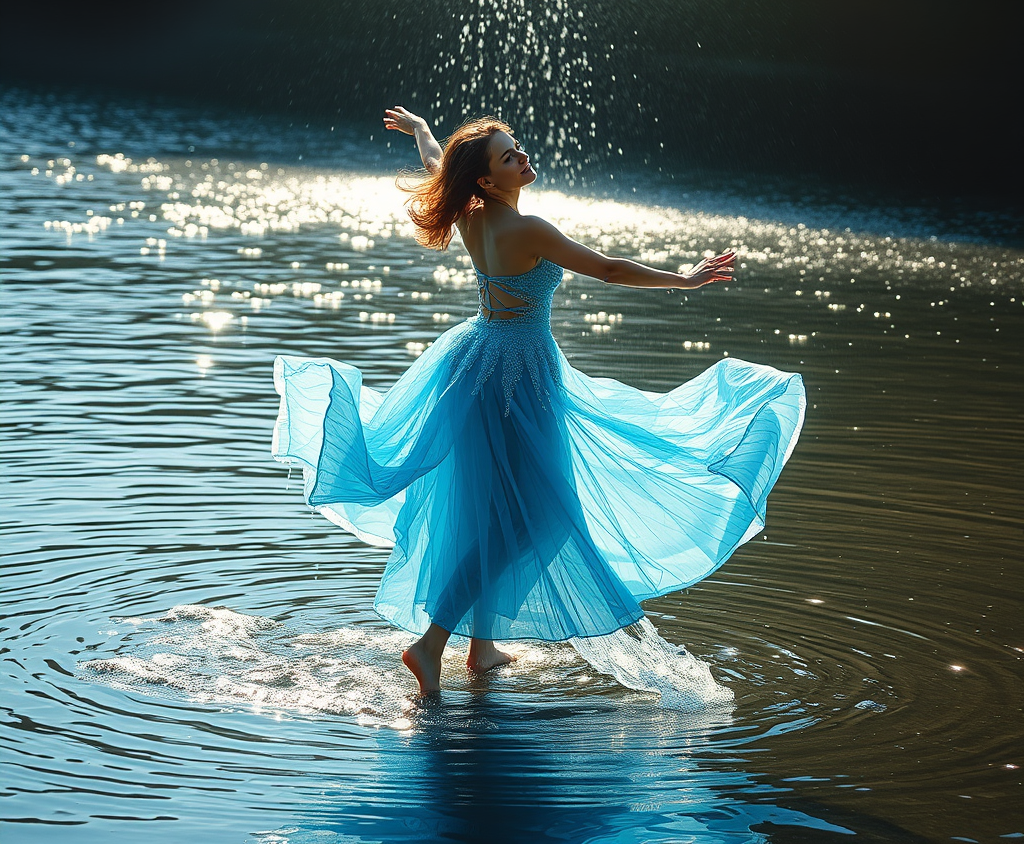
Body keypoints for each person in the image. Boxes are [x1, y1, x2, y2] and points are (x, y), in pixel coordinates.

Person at [273, 106, 805, 695]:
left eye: (517, 147)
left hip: (475, 364)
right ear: (485, 179)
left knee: (494, 507)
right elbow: (607, 269)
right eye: (508, 156)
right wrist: (686, 279)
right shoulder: (528, 229)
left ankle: (480, 648)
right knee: (534, 524)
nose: (522, 157)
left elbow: (437, 165)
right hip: (520, 379)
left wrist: (425, 132)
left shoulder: (472, 214)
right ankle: (430, 645)